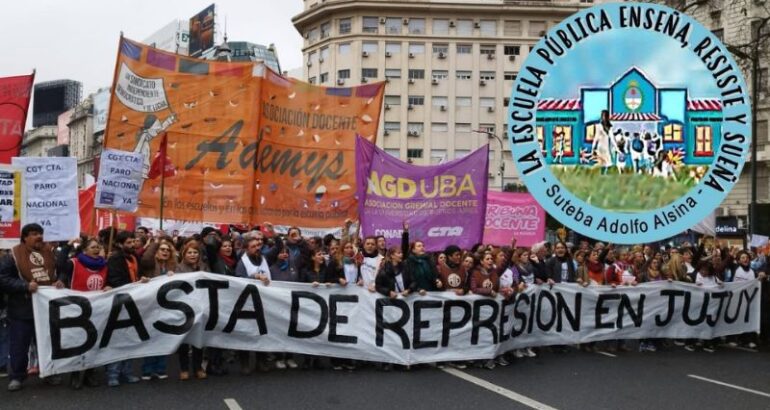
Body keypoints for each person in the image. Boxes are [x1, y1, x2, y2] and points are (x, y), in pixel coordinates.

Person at [0, 224, 64, 391]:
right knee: (19, 345)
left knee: (48, 342)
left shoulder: (50, 253)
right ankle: (17, 377)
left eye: (41, 233)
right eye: (35, 234)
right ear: (25, 237)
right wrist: (24, 286)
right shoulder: (13, 255)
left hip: (46, 308)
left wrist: (59, 281)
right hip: (22, 309)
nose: (39, 237)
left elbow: (62, 272)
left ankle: (49, 372)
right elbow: (2, 278)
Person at [57, 238, 108, 389]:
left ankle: (89, 375)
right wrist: (67, 246)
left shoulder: (105, 265)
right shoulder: (74, 263)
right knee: (78, 343)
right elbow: (60, 265)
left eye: (98, 247)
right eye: (93, 247)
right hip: (77, 311)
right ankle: (75, 374)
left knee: (94, 343)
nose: (96, 249)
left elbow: (109, 281)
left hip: (98, 309)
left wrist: (109, 286)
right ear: (85, 250)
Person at [105, 230, 145, 387]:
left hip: (132, 301)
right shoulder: (115, 259)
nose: (132, 245)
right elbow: (115, 280)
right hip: (119, 303)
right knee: (117, 339)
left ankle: (127, 372)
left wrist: (140, 281)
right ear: (120, 244)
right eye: (128, 243)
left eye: (133, 242)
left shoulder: (135, 257)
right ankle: (113, 374)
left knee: (129, 339)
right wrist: (135, 286)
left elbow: (137, 275)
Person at [138, 237, 177, 380]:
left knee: (163, 338)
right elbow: (145, 259)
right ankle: (147, 369)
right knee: (150, 338)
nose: (165, 252)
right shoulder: (149, 265)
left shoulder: (172, 266)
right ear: (156, 252)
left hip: (166, 308)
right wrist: (156, 242)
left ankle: (160, 369)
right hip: (149, 307)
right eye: (162, 249)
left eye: (167, 250)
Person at [173, 241, 210, 380]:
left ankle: (198, 368)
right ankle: (184, 368)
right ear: (184, 254)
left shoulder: (204, 268)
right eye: (190, 252)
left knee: (198, 340)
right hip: (184, 308)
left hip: (200, 307)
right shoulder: (178, 268)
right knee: (184, 339)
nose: (193, 255)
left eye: (195, 252)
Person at [235, 236, 271, 374]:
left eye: (258, 245)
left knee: (262, 331)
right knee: (245, 332)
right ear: (246, 249)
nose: (257, 248)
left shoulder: (263, 259)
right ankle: (245, 362)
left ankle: (260, 361)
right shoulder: (242, 263)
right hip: (247, 303)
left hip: (264, 301)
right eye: (253, 246)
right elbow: (238, 280)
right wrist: (254, 277)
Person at [402, 222, 442, 294]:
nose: (422, 248)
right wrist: (405, 232)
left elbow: (435, 275)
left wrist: (438, 281)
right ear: (413, 250)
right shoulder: (408, 261)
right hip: (415, 293)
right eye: (419, 246)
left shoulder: (429, 259)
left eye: (423, 246)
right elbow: (409, 280)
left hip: (431, 292)